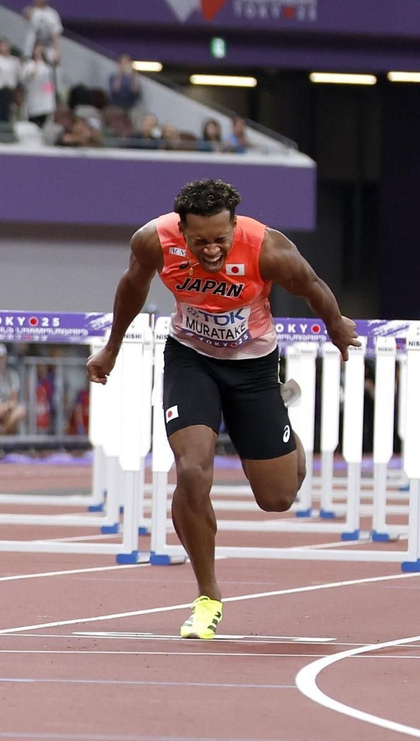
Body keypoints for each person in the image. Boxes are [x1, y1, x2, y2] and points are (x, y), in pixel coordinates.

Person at [86, 179, 356, 639]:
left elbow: (311, 285)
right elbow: (132, 284)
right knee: (192, 470)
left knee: (277, 499)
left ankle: (282, 425)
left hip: (253, 368)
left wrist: (335, 326)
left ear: (234, 226)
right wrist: (111, 348)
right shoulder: (153, 240)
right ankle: (207, 595)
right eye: (200, 241)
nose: (211, 250)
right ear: (181, 230)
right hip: (191, 360)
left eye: (220, 239)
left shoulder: (268, 248)